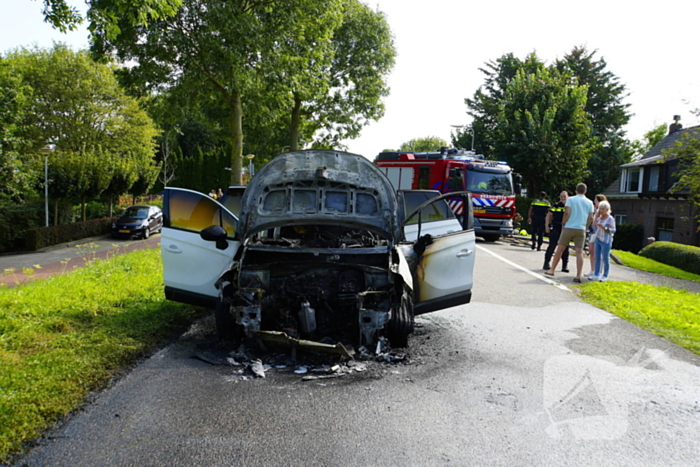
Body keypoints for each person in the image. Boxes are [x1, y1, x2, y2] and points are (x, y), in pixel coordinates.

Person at [545, 183, 594, 283]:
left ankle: (552, 270)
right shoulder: (589, 202)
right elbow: (591, 217)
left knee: (560, 249)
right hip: (581, 229)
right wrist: (586, 227)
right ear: (585, 191)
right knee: (579, 252)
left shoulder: (570, 199)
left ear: (576, 191)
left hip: (569, 227)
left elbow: (567, 212)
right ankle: (578, 275)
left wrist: (563, 223)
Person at [543, 191, 570, 272]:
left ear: (568, 197)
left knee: (565, 248)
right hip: (556, 227)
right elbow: (549, 215)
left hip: (566, 228)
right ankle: (546, 263)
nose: (563, 198)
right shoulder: (556, 205)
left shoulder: (570, 206)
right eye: (561, 196)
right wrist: (547, 225)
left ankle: (564, 266)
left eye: (564, 196)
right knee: (552, 246)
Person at [590, 200, 616, 282]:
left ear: (607, 209)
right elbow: (594, 226)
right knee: (597, 258)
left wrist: (604, 228)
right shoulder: (599, 217)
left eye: (602, 209)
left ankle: (605, 275)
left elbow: (613, 230)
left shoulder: (610, 219)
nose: (601, 210)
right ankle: (596, 274)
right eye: (599, 208)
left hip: (606, 241)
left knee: (605, 258)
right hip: (598, 239)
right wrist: (596, 217)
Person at [585, 194, 608, 277]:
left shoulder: (603, 211)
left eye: (596, 200)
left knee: (598, 253)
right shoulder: (595, 210)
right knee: (591, 251)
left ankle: (598, 271)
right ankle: (592, 269)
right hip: (592, 232)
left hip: (599, 233)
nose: (594, 202)